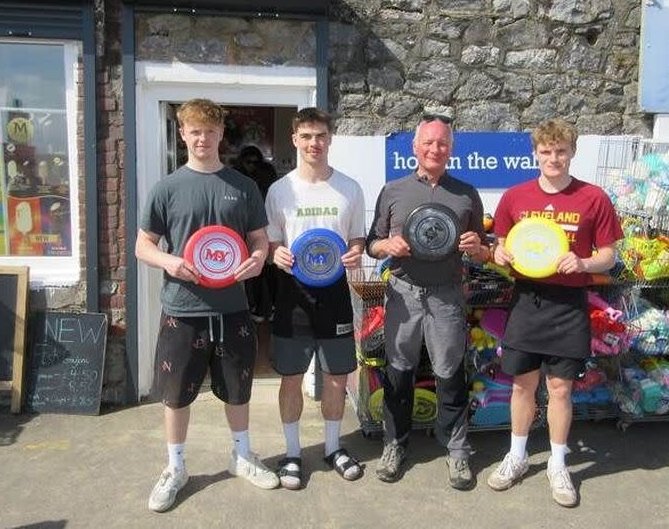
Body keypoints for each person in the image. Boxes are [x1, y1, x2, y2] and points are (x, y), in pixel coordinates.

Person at [136, 98, 279, 513]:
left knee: (238, 388)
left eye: (211, 131)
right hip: (182, 308)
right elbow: (143, 246)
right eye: (195, 131)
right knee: (176, 395)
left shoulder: (243, 186)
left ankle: (241, 456)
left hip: (232, 306)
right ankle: (176, 467)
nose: (203, 138)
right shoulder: (166, 189)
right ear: (182, 134)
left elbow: (258, 239)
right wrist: (170, 261)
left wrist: (257, 260)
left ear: (221, 136)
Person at [486, 118, 622, 507]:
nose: (553, 158)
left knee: (560, 388)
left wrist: (583, 264)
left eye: (560, 151)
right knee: (521, 385)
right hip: (527, 301)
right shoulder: (515, 196)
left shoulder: (594, 198)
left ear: (572, 152)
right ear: (535, 154)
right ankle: (516, 456)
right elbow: (500, 246)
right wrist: (499, 254)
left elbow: (609, 256)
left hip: (569, 305)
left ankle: (558, 464)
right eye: (546, 151)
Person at [366, 113, 490, 490]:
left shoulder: (467, 193)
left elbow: (484, 252)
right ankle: (394, 444)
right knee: (398, 372)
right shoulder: (393, 190)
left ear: (451, 150)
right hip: (403, 294)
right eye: (429, 142)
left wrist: (477, 248)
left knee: (450, 374)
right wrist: (387, 245)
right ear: (415, 148)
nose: (435, 149)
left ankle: (456, 450)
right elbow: (372, 243)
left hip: (447, 297)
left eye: (443, 143)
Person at [265, 107, 366, 489]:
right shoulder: (280, 190)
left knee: (338, 378)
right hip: (292, 297)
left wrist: (356, 252)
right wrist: (275, 252)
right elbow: (271, 241)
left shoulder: (350, 188)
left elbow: (356, 238)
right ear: (295, 140)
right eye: (306, 136)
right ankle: (292, 453)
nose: (314, 143)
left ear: (329, 140)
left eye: (320, 136)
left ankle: (333, 447)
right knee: (291, 379)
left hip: (336, 296)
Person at [234, 145, 279, 323]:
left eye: (254, 161)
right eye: (248, 161)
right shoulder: (238, 178)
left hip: (265, 227)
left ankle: (265, 307)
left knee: (269, 272)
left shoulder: (265, 174)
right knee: (254, 273)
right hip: (249, 230)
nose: (252, 165)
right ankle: (256, 307)